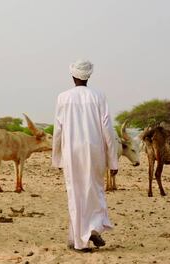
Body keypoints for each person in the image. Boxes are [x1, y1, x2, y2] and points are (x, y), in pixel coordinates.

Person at [52, 59, 118, 252]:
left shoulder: (63, 97)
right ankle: (89, 231)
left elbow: (58, 130)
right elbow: (107, 129)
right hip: (95, 150)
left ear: (73, 76)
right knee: (95, 191)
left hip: (71, 151)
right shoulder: (99, 96)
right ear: (89, 76)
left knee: (76, 194)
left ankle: (80, 239)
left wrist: (57, 158)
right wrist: (113, 159)